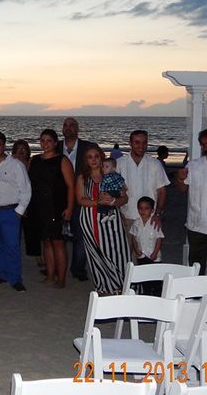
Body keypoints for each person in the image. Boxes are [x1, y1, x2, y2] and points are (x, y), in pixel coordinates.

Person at [76, 145, 130, 295]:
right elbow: (80, 199)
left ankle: (122, 285)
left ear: (101, 157)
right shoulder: (82, 177)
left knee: (118, 251)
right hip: (90, 219)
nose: (93, 160)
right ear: (86, 160)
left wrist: (113, 201)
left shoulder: (111, 175)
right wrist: (98, 202)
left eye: (96, 156)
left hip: (112, 219)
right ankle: (104, 287)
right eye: (89, 157)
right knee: (96, 253)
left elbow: (125, 197)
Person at [0, 131, 31, 292]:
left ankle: (15, 278)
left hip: (10, 212)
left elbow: (26, 190)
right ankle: (1, 274)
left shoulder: (16, 164)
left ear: (4, 145)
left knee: (12, 246)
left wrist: (19, 211)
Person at [27, 129, 74, 288]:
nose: (45, 143)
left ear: (55, 143)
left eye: (48, 141)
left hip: (56, 207)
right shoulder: (34, 160)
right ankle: (50, 275)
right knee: (46, 243)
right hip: (38, 207)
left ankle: (61, 279)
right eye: (42, 140)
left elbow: (70, 186)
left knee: (58, 243)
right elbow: (28, 186)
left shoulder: (62, 160)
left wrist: (69, 207)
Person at [57, 117, 98, 282]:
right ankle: (56, 266)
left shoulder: (88, 147)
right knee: (57, 236)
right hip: (59, 198)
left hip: (82, 197)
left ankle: (78, 268)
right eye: (65, 125)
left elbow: (99, 166)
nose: (68, 128)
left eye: (72, 125)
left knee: (81, 236)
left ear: (77, 129)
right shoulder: (56, 146)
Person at [116, 130, 169, 234]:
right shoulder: (119, 164)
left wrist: (157, 214)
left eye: (144, 142)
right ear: (130, 143)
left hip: (149, 218)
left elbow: (162, 191)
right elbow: (113, 191)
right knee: (126, 249)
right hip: (126, 216)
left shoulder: (155, 164)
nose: (141, 146)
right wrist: (118, 213)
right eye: (137, 142)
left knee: (148, 249)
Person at [176, 129, 207, 274]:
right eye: (203, 144)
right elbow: (182, 189)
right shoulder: (193, 165)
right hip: (196, 225)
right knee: (196, 266)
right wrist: (180, 179)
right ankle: (196, 295)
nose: (205, 147)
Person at [130, 196, 164, 295]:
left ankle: (157, 293)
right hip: (141, 255)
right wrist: (136, 249)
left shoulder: (155, 224)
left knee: (155, 276)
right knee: (144, 276)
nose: (143, 211)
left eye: (146, 208)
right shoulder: (136, 223)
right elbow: (134, 238)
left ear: (152, 210)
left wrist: (155, 252)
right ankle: (146, 293)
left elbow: (159, 239)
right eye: (140, 208)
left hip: (153, 256)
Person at [98, 158, 126, 223]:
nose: (104, 168)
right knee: (109, 204)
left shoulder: (106, 176)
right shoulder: (117, 175)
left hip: (110, 192)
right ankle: (111, 213)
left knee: (102, 204)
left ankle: (104, 215)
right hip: (117, 192)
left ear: (113, 168)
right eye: (103, 166)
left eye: (106, 167)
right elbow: (122, 182)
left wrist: (102, 192)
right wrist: (124, 189)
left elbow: (103, 185)